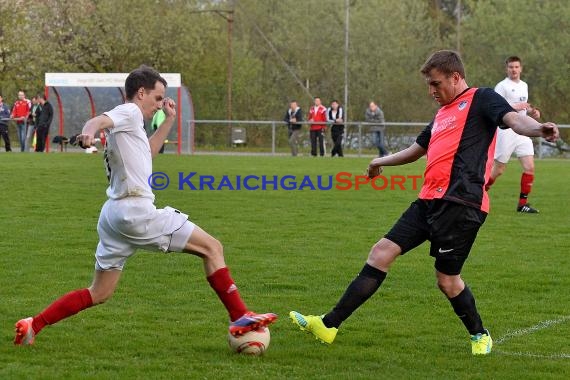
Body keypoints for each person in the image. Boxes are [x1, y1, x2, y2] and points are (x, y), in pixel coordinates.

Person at [289, 50, 559, 355]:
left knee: (447, 280)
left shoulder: (482, 98)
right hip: (428, 201)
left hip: (461, 205)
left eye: (436, 84)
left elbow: (513, 119)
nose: (431, 91)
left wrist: (538, 130)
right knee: (381, 253)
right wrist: (380, 160)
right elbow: (416, 150)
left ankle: (480, 334)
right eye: (429, 85)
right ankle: (328, 325)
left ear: (455, 77)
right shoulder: (442, 114)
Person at [14, 65, 277, 346]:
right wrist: (88, 132)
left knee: (99, 292)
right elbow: (98, 120)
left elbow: (147, 153)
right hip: (136, 212)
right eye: (158, 97)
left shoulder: (133, 124)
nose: (161, 103)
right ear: (141, 93)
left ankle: (33, 325)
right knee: (212, 247)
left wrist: (168, 120)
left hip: (113, 216)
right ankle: (240, 316)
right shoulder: (129, 112)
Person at [486, 56, 541, 213]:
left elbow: (524, 106)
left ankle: (522, 204)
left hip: (523, 130)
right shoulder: (502, 86)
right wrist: (516, 107)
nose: (514, 70)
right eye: (511, 67)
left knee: (529, 167)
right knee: (499, 170)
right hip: (507, 130)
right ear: (507, 69)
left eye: (516, 67)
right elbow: (495, 106)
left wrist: (532, 111)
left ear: (521, 68)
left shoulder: (524, 85)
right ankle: (477, 194)